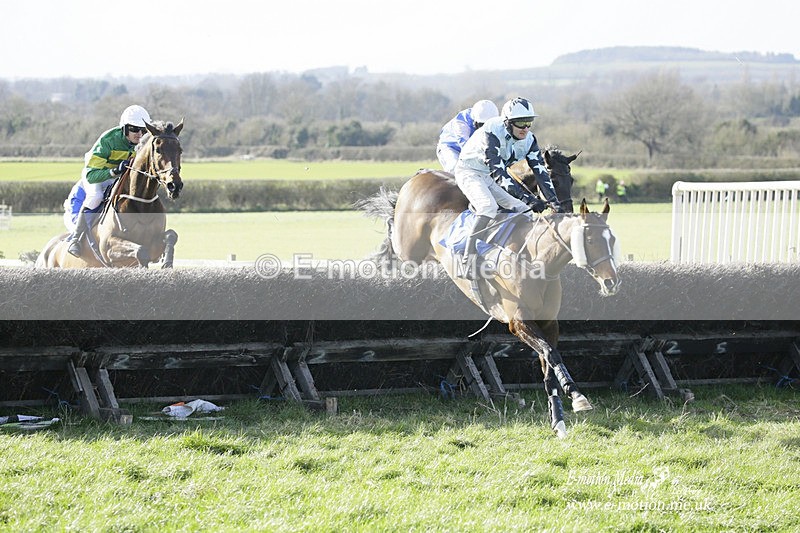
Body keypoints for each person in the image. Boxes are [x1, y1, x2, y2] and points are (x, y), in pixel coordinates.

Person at [454, 96, 563, 278]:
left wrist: (554, 201)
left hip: (486, 175)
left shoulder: (530, 139)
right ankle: (468, 259)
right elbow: (499, 174)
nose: (526, 128)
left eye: (529, 122)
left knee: (524, 211)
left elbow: (541, 172)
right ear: (507, 122)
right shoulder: (491, 132)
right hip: (469, 171)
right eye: (520, 123)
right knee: (488, 207)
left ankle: (517, 254)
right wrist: (529, 198)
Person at [64, 104, 151, 256]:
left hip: (117, 178)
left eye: (143, 130)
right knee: (96, 197)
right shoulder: (108, 140)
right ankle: (76, 239)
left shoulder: (143, 144)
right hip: (97, 175)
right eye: (134, 130)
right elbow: (92, 175)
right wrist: (115, 170)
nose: (139, 134)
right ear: (124, 128)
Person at [436, 99, 499, 174]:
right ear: (475, 121)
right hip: (450, 148)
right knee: (455, 170)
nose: (484, 129)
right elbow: (467, 149)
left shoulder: (492, 121)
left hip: (470, 148)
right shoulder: (461, 125)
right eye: (482, 125)